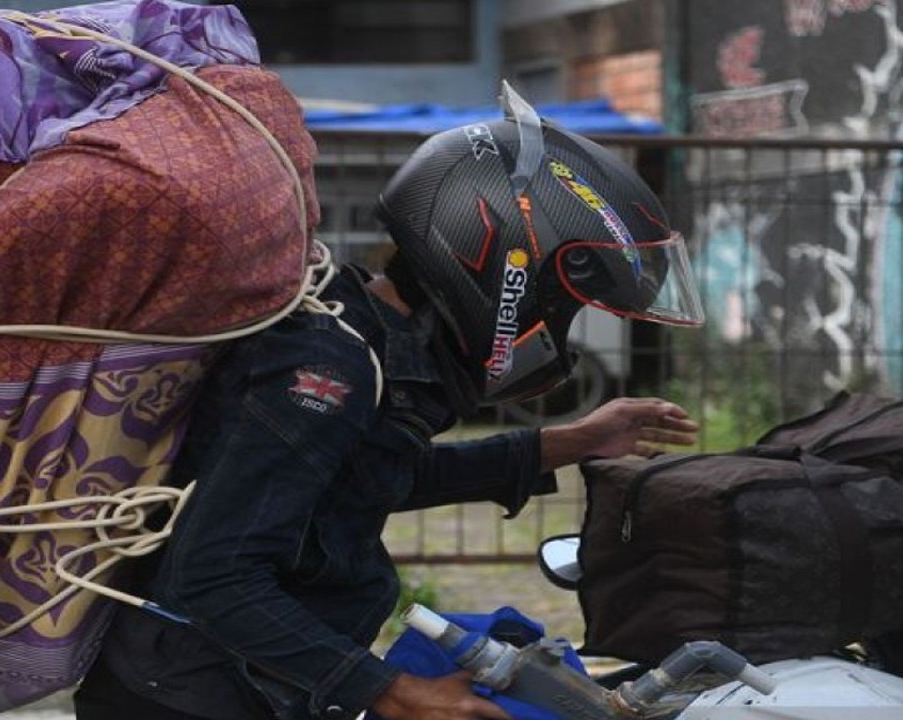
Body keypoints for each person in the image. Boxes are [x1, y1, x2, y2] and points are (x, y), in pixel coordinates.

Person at [73, 89, 704, 720]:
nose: (560, 333)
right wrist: (396, 695)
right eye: (566, 308)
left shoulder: (368, 341)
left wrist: (566, 442)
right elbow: (213, 577)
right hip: (194, 697)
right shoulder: (324, 369)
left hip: (251, 685)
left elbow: (358, 478)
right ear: (505, 273)